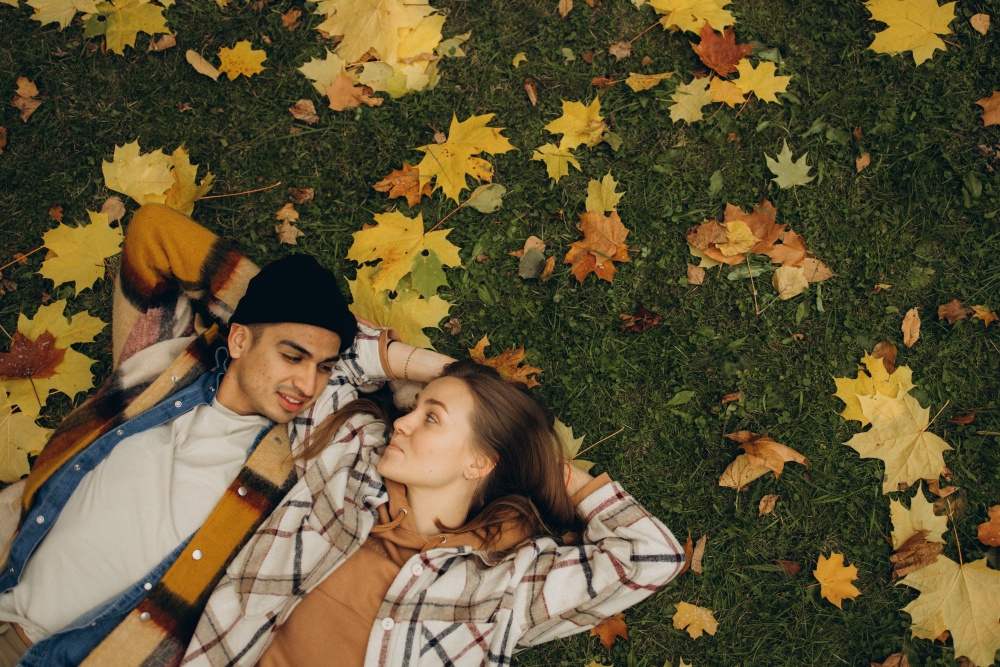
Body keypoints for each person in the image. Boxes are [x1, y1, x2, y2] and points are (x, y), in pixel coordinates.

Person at [0, 204, 449, 667]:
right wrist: (281, 301)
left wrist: (424, 366)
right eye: (292, 356)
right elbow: (153, 234)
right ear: (238, 340)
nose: (307, 384)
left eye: (325, 367)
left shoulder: (297, 463)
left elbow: (425, 435)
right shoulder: (162, 368)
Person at [182, 360, 685, 666]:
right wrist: (438, 370)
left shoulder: (509, 581)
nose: (402, 422)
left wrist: (554, 473)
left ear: (479, 463)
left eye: (431, 418)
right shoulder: (350, 460)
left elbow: (651, 557)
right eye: (413, 408)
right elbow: (327, 356)